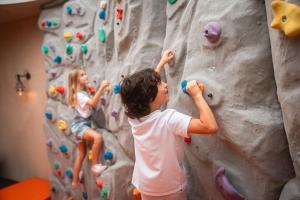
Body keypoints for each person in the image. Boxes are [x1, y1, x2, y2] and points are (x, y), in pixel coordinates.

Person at [120, 50, 218, 200]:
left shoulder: (135, 119)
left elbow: (142, 89)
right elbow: (209, 126)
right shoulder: (168, 119)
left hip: (146, 185)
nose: (165, 84)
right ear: (149, 95)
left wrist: (161, 63)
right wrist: (197, 95)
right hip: (170, 188)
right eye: (159, 83)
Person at [68, 67, 109, 188]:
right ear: (76, 80)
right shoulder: (79, 95)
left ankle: (75, 181)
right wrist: (101, 88)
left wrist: (91, 91)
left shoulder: (81, 94)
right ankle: (95, 166)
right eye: (82, 75)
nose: (86, 76)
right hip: (80, 126)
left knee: (81, 154)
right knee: (97, 138)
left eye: (85, 74)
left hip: (80, 126)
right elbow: (92, 103)